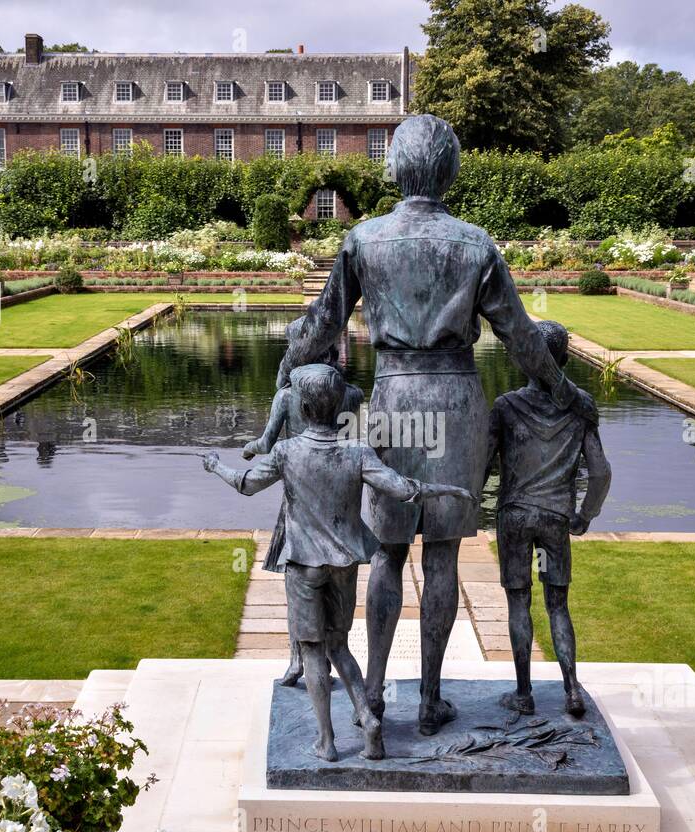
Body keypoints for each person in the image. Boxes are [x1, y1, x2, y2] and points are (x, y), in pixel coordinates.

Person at [276, 114, 594, 735]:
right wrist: (567, 391)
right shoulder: (475, 243)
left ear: (395, 169)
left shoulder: (363, 239)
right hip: (456, 402)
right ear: (449, 171)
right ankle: (428, 698)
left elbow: (320, 328)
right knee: (443, 553)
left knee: (388, 554)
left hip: (395, 400)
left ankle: (372, 689)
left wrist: (286, 373)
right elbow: (524, 340)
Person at [203, 363, 473, 761]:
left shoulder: (287, 451)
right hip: (344, 566)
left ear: (305, 406)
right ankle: (367, 717)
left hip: (304, 567)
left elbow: (246, 485)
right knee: (340, 647)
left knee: (313, 651)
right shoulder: (358, 451)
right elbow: (403, 489)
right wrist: (449, 488)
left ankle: (327, 742)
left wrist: (215, 466)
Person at [485, 320, 610, 718]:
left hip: (516, 514)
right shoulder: (580, 407)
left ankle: (524, 693)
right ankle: (571, 688)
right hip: (556, 515)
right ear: (565, 359)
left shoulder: (506, 407)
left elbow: (484, 466)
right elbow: (602, 472)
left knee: (518, 602)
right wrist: (585, 514)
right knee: (558, 605)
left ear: (526, 359)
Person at [243, 319, 363, 687]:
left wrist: (249, 450)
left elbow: (264, 445)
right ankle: (329, 656)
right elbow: (352, 442)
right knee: (337, 584)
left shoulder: (286, 395)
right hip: (339, 499)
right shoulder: (352, 394)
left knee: (299, 584)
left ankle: (300, 660)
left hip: (300, 497)